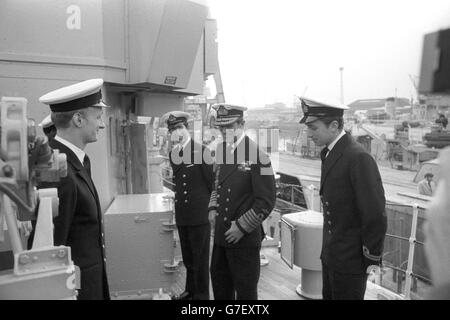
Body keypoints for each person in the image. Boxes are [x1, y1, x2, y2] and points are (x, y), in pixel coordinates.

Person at [299, 97, 387, 300]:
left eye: (313, 127)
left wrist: (371, 258)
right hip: (332, 256)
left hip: (351, 262)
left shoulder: (358, 158)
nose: (309, 134)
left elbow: (374, 214)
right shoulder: (332, 153)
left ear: (334, 125)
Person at [38, 78, 110, 300]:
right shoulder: (59, 172)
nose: (102, 124)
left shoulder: (74, 162)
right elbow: (52, 248)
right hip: (76, 291)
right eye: (98, 117)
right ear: (78, 119)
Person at [208, 104, 276, 300]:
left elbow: (266, 200)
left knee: (245, 294)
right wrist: (212, 207)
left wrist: (241, 226)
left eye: (229, 126)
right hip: (221, 236)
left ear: (242, 124)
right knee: (221, 288)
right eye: (221, 128)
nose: (224, 131)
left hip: (243, 239)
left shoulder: (259, 156)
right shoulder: (222, 150)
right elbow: (217, 184)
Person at [162, 111, 213, 300]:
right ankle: (190, 291)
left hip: (199, 215)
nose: (176, 132)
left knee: (200, 260)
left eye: (179, 127)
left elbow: (212, 184)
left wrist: (211, 210)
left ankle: (201, 297)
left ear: (186, 128)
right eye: (172, 129)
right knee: (189, 259)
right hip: (183, 214)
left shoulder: (202, 151)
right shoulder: (174, 153)